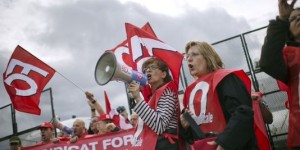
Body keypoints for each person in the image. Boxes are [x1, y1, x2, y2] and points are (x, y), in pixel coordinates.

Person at [179, 41, 262, 150]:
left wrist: (224, 144)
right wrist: (185, 127)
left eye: (194, 54)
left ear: (208, 58)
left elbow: (243, 113)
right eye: (187, 56)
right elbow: (194, 136)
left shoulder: (226, 78)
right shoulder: (190, 91)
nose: (189, 59)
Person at [260, 0, 300, 149]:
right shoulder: (288, 57)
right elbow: (268, 62)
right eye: (293, 18)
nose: (299, 19)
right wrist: (282, 20)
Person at [128, 57, 180, 150]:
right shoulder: (153, 96)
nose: (147, 70)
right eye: (145, 69)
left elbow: (159, 126)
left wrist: (138, 98)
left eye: (152, 67)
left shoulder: (167, 92)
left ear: (163, 74)